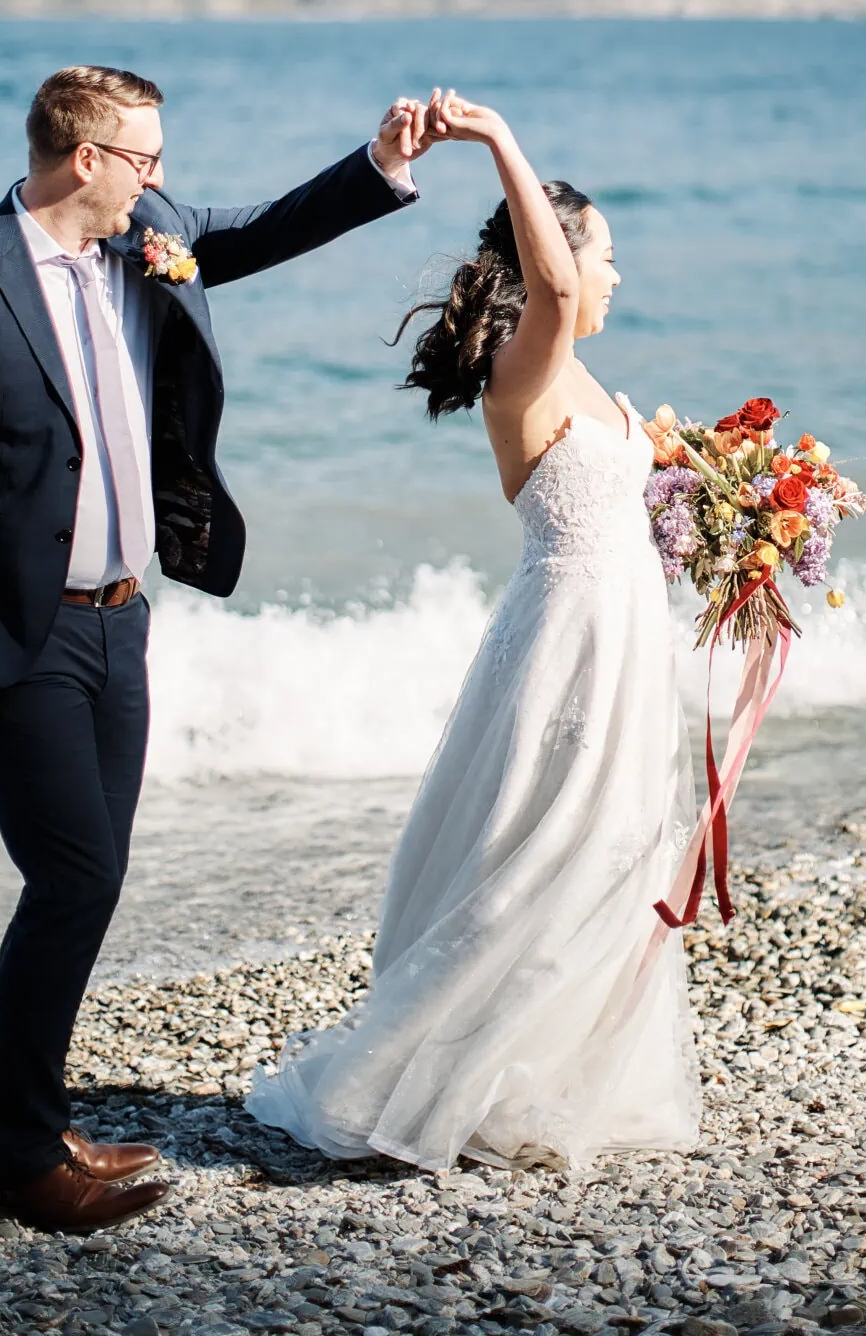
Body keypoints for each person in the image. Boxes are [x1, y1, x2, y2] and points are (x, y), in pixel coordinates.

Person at [0, 64, 436, 1231]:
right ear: (85, 158)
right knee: (73, 876)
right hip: (13, 630)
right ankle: (19, 1154)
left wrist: (381, 163)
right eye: (145, 156)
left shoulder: (148, 234)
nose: (162, 178)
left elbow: (265, 227)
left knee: (90, 875)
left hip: (125, 616)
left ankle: (32, 1116)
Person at [247, 94, 699, 1171]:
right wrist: (498, 140)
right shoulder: (524, 365)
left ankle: (556, 1069)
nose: (616, 276)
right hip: (568, 637)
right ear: (555, 258)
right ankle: (440, 1075)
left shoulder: (588, 379)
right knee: (543, 844)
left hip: (625, 636)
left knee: (612, 843)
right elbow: (553, 288)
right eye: (606, 255)